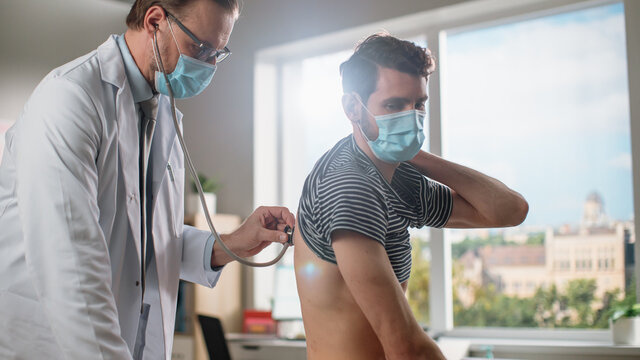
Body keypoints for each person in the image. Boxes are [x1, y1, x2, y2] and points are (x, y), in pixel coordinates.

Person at [0, 0, 294, 359]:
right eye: (201, 48)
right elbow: (70, 273)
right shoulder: (70, 100)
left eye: (219, 53)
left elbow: (144, 240)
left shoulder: (161, 114)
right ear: (155, 21)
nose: (209, 65)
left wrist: (229, 244)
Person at [293, 33, 529, 360]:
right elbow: (405, 348)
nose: (411, 116)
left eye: (418, 104)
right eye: (393, 105)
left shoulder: (398, 178)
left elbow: (509, 210)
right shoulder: (351, 184)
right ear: (353, 108)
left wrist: (413, 152)